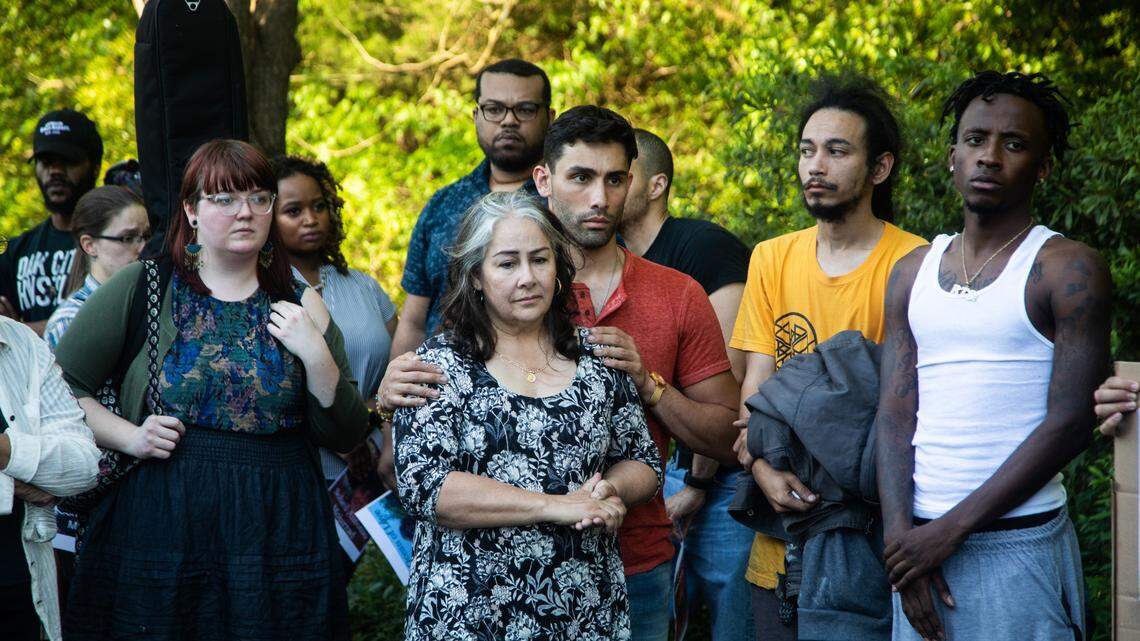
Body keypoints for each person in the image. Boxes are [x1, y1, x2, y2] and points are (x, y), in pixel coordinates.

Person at [379, 107, 741, 641]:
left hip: (616, 576)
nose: (600, 198)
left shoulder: (651, 315)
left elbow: (677, 448)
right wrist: (387, 396)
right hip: (474, 604)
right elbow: (425, 478)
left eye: (616, 179)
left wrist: (647, 390)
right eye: (582, 177)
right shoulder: (453, 351)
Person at [55, 139, 368, 640]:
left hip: (277, 523)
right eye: (224, 198)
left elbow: (347, 431)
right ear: (191, 210)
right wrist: (128, 436)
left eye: (259, 197)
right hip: (163, 516)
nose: (245, 212)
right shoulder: (145, 286)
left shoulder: (301, 301)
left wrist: (315, 353)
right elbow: (62, 387)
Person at [875, 71, 1111, 641]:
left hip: (1019, 543)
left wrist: (948, 533)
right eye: (976, 140)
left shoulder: (1066, 267)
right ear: (952, 156)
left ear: (1044, 167)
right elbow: (893, 415)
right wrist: (903, 547)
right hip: (918, 549)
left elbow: (1072, 422)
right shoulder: (911, 272)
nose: (989, 157)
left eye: (1014, 143)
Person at [394, 190, 662, 639]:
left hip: (583, 608)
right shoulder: (439, 366)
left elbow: (643, 462)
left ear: (558, 268)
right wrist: (554, 507)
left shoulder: (597, 357)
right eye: (507, 263)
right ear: (476, 275)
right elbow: (426, 488)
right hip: (471, 612)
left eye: (539, 260)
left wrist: (609, 489)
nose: (527, 277)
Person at [729, 76, 926, 641]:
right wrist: (763, 467)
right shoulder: (772, 257)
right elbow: (756, 392)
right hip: (780, 537)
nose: (816, 165)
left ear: (880, 168)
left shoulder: (913, 262)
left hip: (872, 537)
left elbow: (902, 409)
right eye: (807, 150)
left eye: (837, 151)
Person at [619, 128, 754, 641]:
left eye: (620, 177)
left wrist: (697, 484)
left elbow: (727, 376)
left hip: (718, 483)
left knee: (730, 623)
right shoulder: (613, 261)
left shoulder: (704, 247)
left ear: (654, 185)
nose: (603, 193)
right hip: (652, 479)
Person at [390, 58, 554, 356]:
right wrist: (395, 387)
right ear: (476, 115)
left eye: (525, 109)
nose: (508, 121)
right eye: (494, 109)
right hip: (440, 386)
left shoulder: (564, 205)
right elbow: (414, 320)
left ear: (549, 117)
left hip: (538, 383)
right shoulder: (442, 205)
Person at [272, 155, 399, 490]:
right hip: (302, 469)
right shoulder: (261, 292)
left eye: (319, 206)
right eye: (294, 211)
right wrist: (337, 439)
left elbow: (402, 367)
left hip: (378, 454)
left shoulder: (364, 286)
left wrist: (372, 422)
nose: (311, 219)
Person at [0, 316, 99, 641]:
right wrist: (18, 484)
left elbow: (84, 465)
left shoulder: (23, 342)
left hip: (20, 579)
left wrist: (7, 453)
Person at [0, 109, 103, 334]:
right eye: (46, 162)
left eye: (67, 161)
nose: (55, 171)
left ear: (94, 166)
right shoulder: (17, 251)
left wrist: (20, 330)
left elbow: (99, 322)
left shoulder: (113, 240)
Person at [44, 186, 150, 350]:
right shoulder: (70, 322)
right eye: (128, 238)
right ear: (89, 245)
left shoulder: (155, 303)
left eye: (146, 236)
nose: (143, 247)